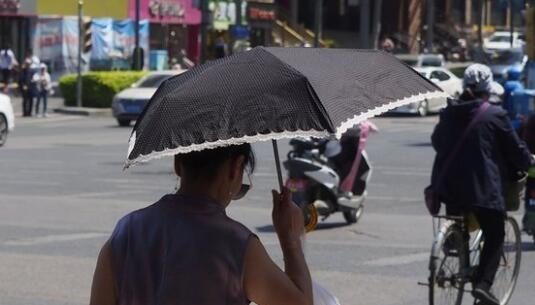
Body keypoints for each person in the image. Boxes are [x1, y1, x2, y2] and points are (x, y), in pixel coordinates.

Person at [89, 144, 313, 305]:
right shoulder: (237, 244)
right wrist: (290, 241)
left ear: (178, 164)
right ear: (236, 168)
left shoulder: (125, 233)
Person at [431, 64, 532, 305]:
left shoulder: (449, 113)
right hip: (482, 189)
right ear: (488, 88)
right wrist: (527, 161)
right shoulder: (495, 115)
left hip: (448, 187)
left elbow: (437, 141)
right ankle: (483, 285)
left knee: (460, 218)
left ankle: (455, 242)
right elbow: (515, 151)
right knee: (496, 232)